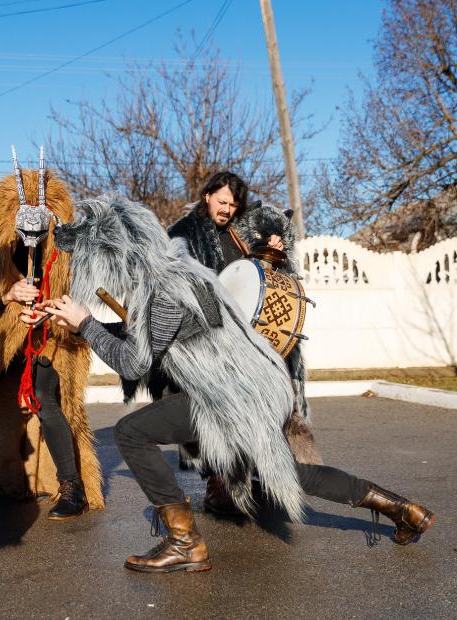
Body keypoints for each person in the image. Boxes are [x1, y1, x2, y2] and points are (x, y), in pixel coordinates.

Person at [42, 192, 305, 573]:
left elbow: (134, 362)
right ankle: (400, 508)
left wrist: (86, 323)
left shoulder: (162, 291)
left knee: (132, 433)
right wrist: (86, 326)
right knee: (290, 471)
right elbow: (147, 335)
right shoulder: (179, 271)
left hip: (225, 396)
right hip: (236, 388)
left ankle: (185, 543)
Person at [169, 171, 435, 545]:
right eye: (222, 201)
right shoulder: (182, 235)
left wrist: (273, 250)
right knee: (255, 447)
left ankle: (231, 487)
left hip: (248, 356)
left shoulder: (243, 232)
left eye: (233, 204)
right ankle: (399, 507)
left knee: (262, 450)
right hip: (218, 353)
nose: (227, 209)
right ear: (207, 195)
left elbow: (265, 282)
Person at [0, 161, 103, 520]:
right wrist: (6, 297)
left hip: (49, 340)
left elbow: (80, 304)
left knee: (46, 400)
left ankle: (72, 488)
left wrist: (49, 312)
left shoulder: (67, 253)